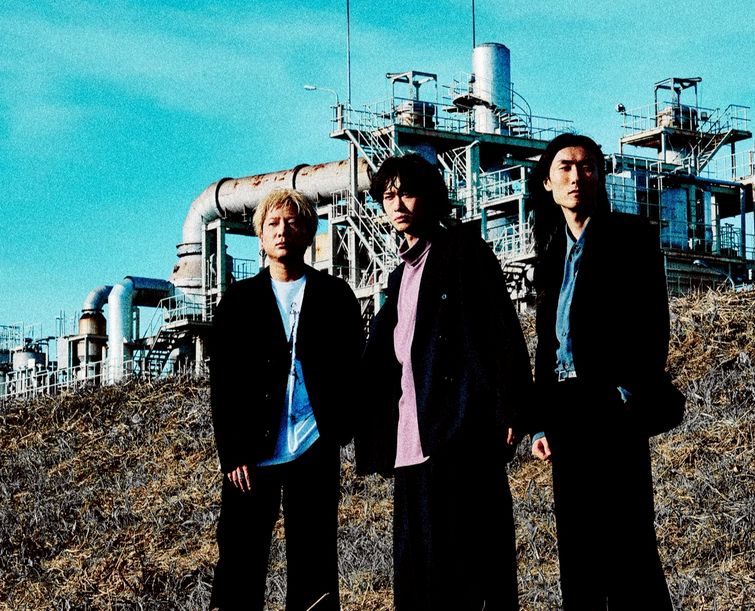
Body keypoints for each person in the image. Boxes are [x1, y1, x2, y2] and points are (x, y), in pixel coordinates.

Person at [356, 153, 531, 611]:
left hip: (458, 432)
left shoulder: (463, 252)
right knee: (418, 572)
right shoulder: (399, 275)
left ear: (431, 197)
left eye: (407, 193)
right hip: (410, 444)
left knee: (467, 568)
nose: (397, 205)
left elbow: (501, 331)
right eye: (388, 196)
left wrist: (511, 407)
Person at [526, 134, 684, 610]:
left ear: (600, 176)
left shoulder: (630, 236)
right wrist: (540, 422)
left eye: (587, 166)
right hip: (565, 409)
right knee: (578, 547)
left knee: (629, 543)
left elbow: (653, 323)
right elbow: (548, 342)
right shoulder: (551, 250)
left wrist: (627, 393)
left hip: (612, 407)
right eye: (565, 167)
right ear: (548, 182)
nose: (577, 177)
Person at [208, 188, 363, 611]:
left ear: (309, 233)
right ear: (260, 236)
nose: (282, 231)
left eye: (293, 223)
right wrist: (232, 452)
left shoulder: (334, 295)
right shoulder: (238, 301)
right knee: (240, 558)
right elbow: (224, 384)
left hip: (313, 444)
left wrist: (342, 426)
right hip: (252, 454)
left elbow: (354, 364)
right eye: (273, 224)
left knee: (315, 557)